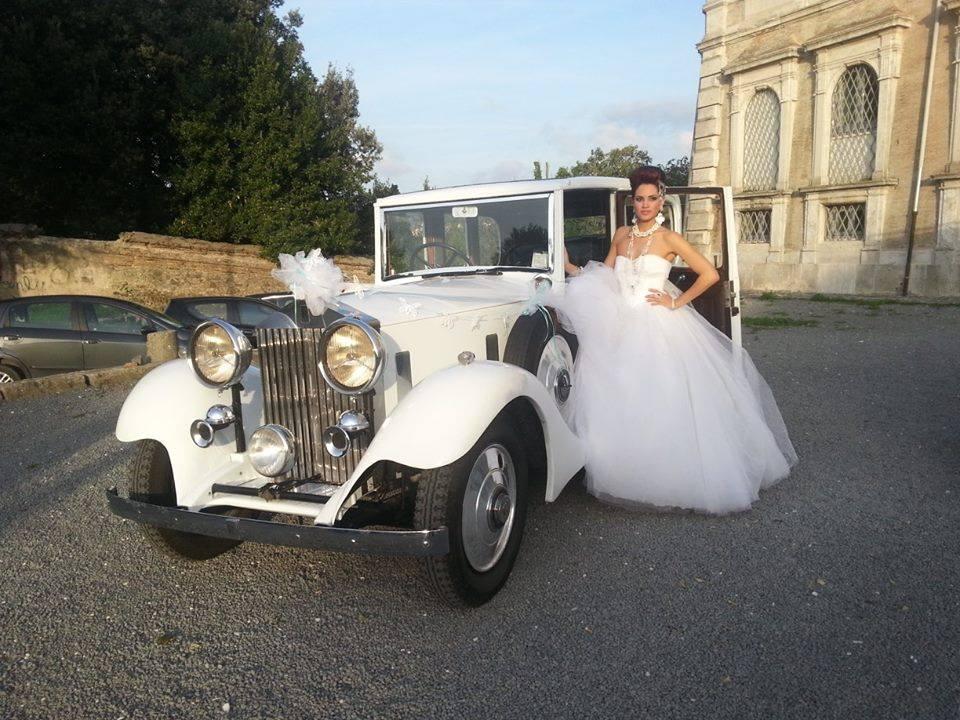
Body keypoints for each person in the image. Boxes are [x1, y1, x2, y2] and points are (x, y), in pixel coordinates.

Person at [553, 166, 797, 514]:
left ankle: (671, 476)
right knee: (623, 398)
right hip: (620, 324)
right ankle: (628, 473)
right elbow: (604, 278)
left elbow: (709, 274)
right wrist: (569, 268)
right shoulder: (621, 235)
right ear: (632, 202)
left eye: (652, 198)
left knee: (662, 396)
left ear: (661, 200)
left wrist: (676, 301)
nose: (645, 204)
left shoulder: (670, 238)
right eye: (640, 199)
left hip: (657, 325)